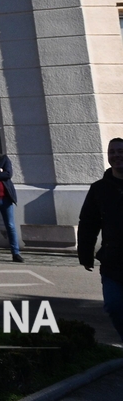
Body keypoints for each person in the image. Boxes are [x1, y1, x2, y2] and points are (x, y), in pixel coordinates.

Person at [78, 137, 123, 343]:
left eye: (120, 151)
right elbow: (88, 223)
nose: (116, 155)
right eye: (112, 152)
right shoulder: (99, 189)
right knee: (114, 306)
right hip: (113, 260)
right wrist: (85, 254)